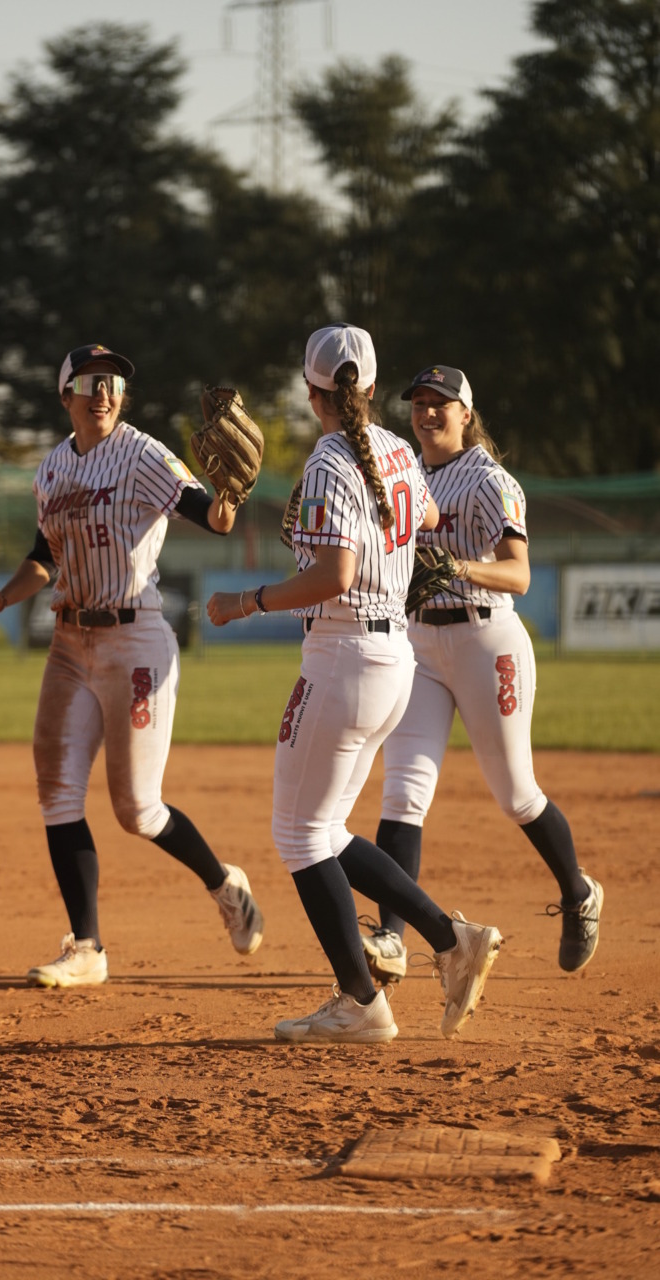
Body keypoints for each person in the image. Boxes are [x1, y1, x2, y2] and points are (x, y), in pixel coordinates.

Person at [207, 324, 503, 1043]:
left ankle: (361, 1002)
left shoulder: (329, 461)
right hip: (394, 658)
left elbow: (333, 577)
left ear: (313, 393)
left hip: (343, 657)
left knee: (297, 834)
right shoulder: (399, 453)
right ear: (370, 388)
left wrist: (244, 602)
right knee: (324, 829)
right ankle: (447, 939)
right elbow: (429, 516)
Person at [0, 342, 264, 987]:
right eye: (91, 382)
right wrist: (2, 596)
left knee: (137, 809)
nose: (104, 392)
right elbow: (45, 554)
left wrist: (227, 497)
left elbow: (205, 515)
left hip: (135, 642)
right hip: (69, 643)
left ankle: (224, 883)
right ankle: (88, 948)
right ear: (66, 394)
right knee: (56, 791)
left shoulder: (144, 453)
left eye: (114, 383)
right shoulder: (51, 470)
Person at [362, 364, 603, 987]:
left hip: (485, 637)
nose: (427, 411)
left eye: (441, 402)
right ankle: (390, 936)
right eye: (418, 401)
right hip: (419, 641)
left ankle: (578, 893)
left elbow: (518, 574)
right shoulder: (402, 473)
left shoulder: (492, 480)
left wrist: (458, 566)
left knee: (515, 794)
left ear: (466, 414)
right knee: (403, 791)